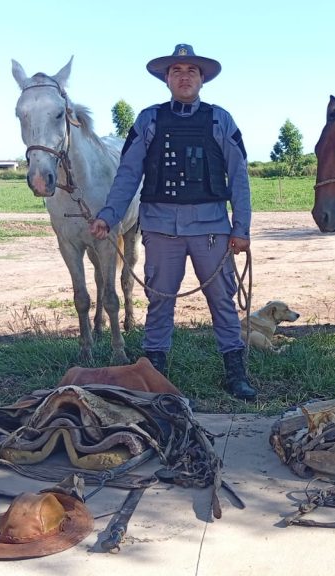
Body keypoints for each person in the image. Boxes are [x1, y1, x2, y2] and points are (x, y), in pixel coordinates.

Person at [90, 44, 256, 400]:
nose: (184, 76)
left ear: (201, 79)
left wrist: (241, 228)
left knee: (222, 300)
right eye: (177, 70)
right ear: (167, 79)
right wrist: (109, 216)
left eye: (191, 71)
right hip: (161, 227)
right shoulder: (148, 120)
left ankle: (236, 374)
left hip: (211, 228)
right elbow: (128, 173)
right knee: (160, 300)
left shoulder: (219, 119)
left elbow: (239, 175)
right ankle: (154, 375)